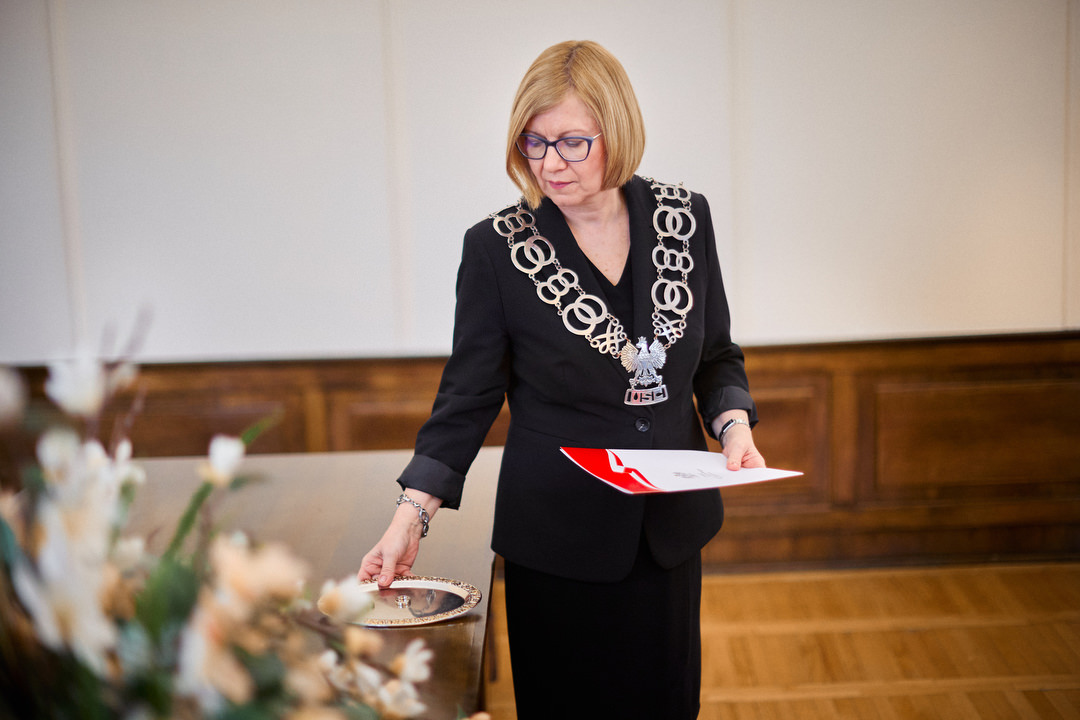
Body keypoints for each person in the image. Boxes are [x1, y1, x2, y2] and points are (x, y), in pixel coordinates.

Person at [358, 39, 765, 719]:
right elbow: (468, 397)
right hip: (557, 538)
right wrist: (412, 515)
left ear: (618, 131)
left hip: (666, 534)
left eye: (573, 142)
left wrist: (733, 425)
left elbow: (717, 354)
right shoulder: (497, 248)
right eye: (534, 142)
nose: (550, 163)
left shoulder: (684, 218)